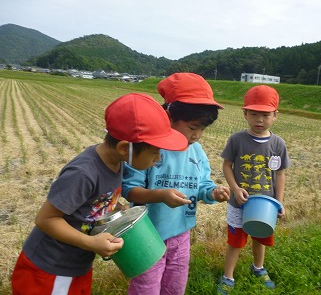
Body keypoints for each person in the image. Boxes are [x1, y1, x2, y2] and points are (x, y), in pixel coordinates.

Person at [11, 93, 188, 295]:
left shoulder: (116, 163)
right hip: (50, 269)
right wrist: (90, 243)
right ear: (124, 148)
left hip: (77, 264)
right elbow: (45, 219)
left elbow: (95, 203)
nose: (158, 159)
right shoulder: (83, 173)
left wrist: (117, 209)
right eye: (155, 152)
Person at [122, 72, 230, 295]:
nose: (197, 135)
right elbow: (130, 190)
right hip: (147, 235)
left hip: (181, 234)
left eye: (202, 129)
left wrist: (214, 192)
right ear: (169, 116)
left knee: (175, 287)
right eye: (192, 128)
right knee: (146, 289)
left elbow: (202, 185)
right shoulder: (148, 149)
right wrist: (160, 195)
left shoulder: (196, 152)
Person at [217, 85, 291, 294]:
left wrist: (279, 201)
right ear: (245, 113)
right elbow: (227, 166)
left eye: (265, 115)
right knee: (236, 241)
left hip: (265, 205)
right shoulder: (237, 140)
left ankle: (258, 267)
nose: (259, 119)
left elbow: (281, 174)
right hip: (239, 204)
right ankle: (228, 276)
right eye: (254, 114)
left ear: (275, 115)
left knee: (261, 237)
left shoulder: (278, 144)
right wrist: (234, 188)